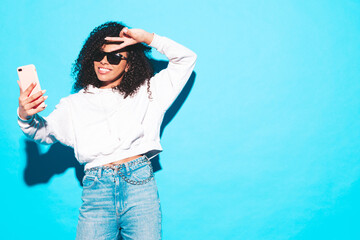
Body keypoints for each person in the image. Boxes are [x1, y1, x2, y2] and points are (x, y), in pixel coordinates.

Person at [17, 21, 197, 240]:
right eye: (99, 55)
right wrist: (26, 115)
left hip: (139, 186)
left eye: (114, 57)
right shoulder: (74, 104)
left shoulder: (149, 92)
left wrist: (148, 38)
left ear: (129, 65)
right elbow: (42, 132)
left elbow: (186, 59)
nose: (104, 62)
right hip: (96, 189)